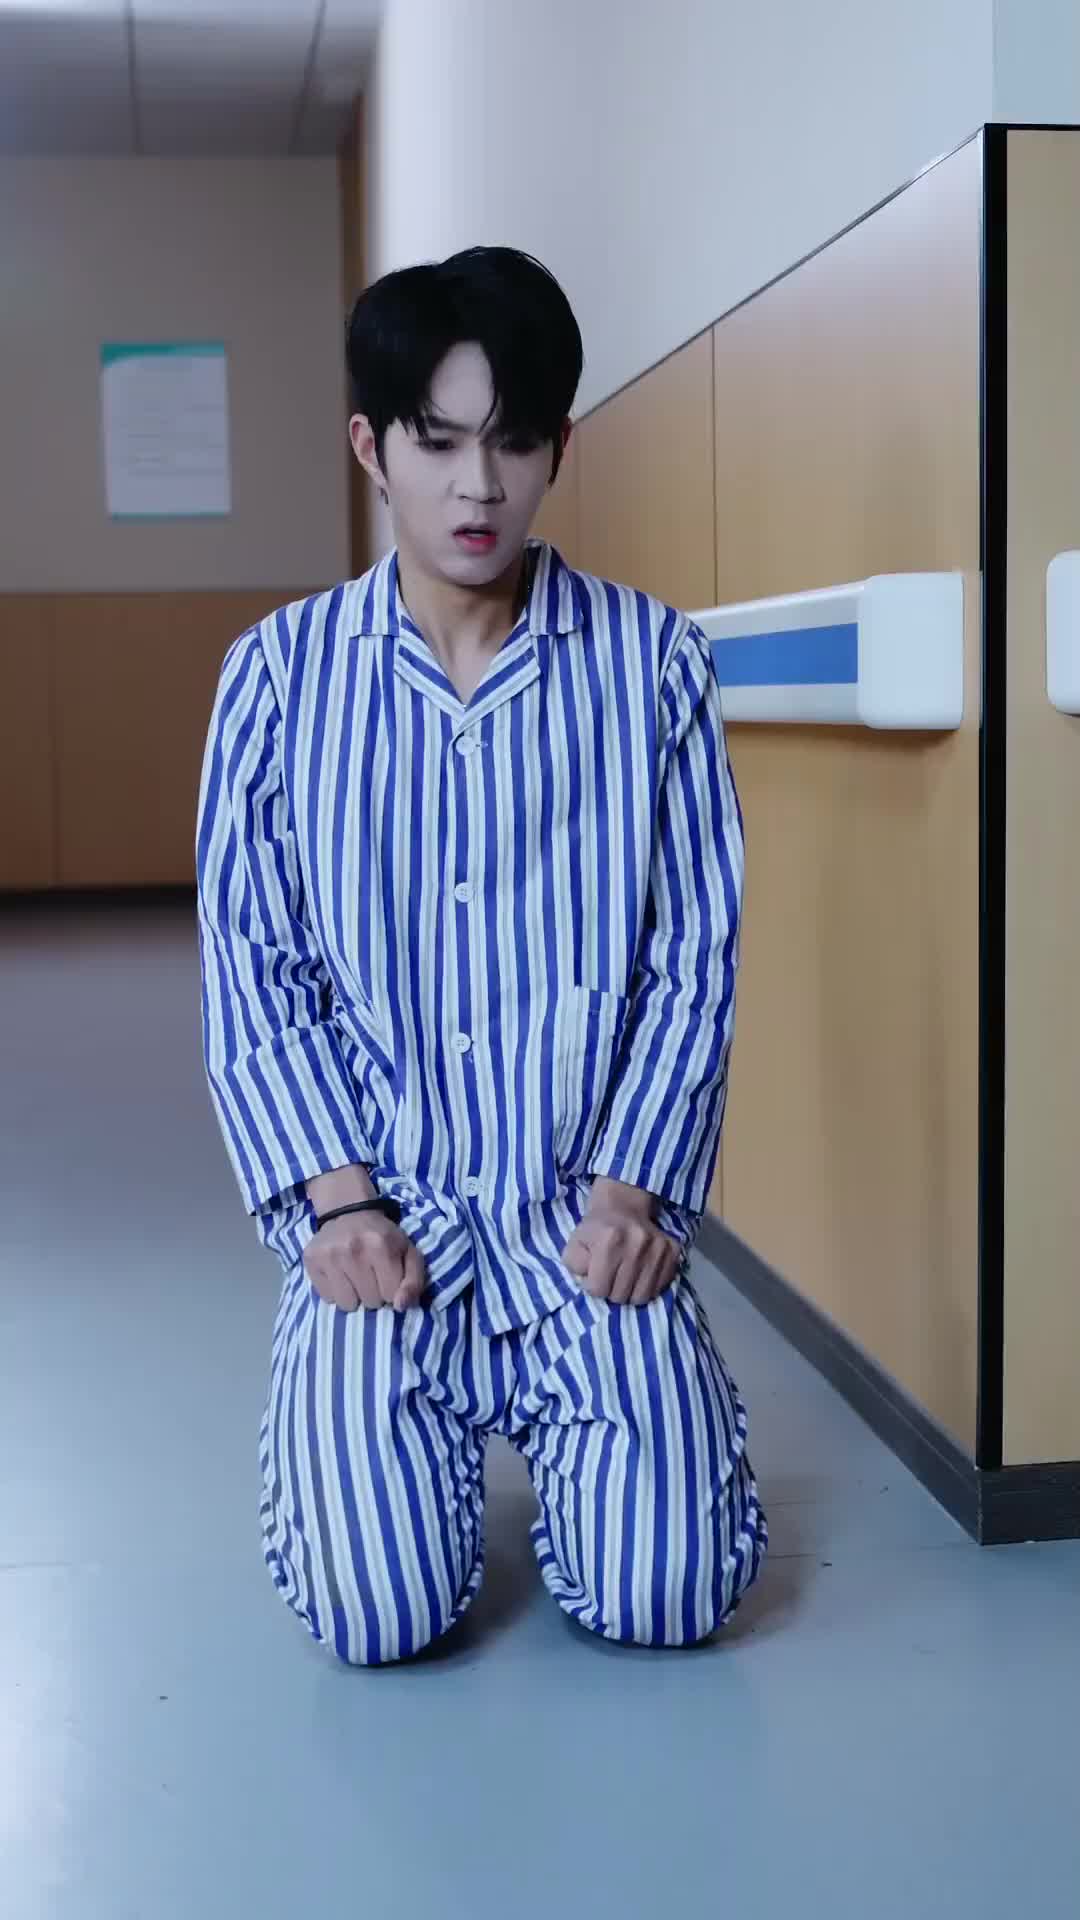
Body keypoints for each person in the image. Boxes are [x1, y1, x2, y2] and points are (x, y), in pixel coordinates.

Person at [196, 245, 767, 1666]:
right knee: (378, 1616)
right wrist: (336, 1208)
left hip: (579, 1215)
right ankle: (356, 1414)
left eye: (512, 443)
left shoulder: (652, 666)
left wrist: (636, 1192)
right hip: (386, 1222)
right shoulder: (278, 678)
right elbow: (253, 965)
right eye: (438, 442)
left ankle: (627, 1422)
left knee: (668, 1595)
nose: (477, 488)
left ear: (558, 447)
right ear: (370, 448)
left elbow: (693, 957)